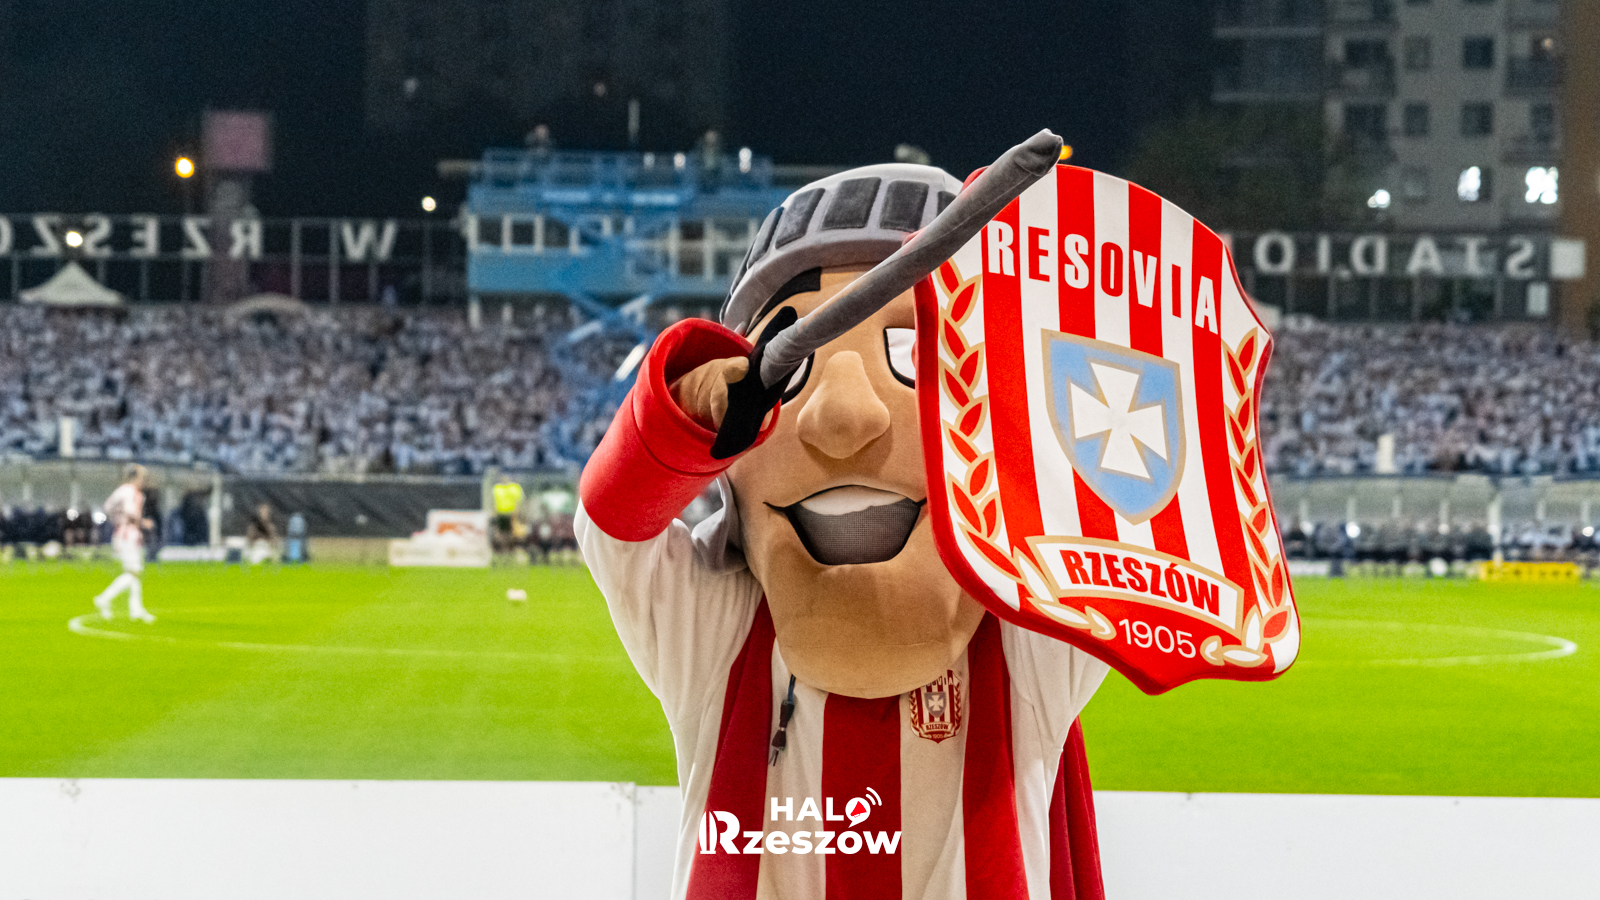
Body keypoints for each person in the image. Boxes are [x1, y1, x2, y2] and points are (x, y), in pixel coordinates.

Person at [578, 164, 1107, 899]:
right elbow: (613, 528)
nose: (844, 416)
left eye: (911, 352)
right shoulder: (719, 626)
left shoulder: (1024, 631)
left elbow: (1112, 510)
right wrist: (683, 412)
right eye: (791, 367)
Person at [94, 464, 155, 623]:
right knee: (133, 572)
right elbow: (130, 511)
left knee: (134, 573)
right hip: (129, 534)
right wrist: (143, 522)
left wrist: (117, 518)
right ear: (135, 477)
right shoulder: (131, 491)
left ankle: (136, 610)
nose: (144, 481)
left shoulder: (120, 490)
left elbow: (107, 507)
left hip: (120, 533)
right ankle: (104, 598)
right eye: (142, 477)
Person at [491, 474, 524, 555]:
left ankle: (510, 550)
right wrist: (493, 514)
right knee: (502, 533)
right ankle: (503, 549)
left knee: (511, 533)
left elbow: (519, 502)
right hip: (501, 514)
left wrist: (518, 513)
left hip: (511, 514)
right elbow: (493, 502)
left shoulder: (514, 488)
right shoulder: (497, 488)